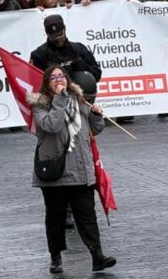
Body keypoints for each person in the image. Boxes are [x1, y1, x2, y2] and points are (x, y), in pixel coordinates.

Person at [29, 65, 115, 274]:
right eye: (53, 78)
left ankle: (97, 256)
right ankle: (56, 257)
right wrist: (60, 100)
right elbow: (51, 126)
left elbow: (95, 129)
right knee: (56, 217)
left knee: (87, 216)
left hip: (81, 171)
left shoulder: (79, 100)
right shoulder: (40, 105)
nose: (59, 80)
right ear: (47, 84)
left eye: (62, 76)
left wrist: (96, 114)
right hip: (55, 173)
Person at [30, 15, 102, 81]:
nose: (58, 39)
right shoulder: (38, 55)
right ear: (47, 34)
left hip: (78, 93)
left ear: (64, 29)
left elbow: (97, 75)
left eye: (60, 35)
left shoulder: (79, 49)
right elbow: (34, 83)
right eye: (54, 37)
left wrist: (85, 67)